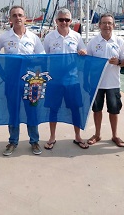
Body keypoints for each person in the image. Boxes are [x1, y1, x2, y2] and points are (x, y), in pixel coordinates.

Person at [0, 5, 45, 156]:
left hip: (31, 83)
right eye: (14, 15)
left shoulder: (33, 38)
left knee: (32, 111)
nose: (18, 18)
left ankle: (34, 141)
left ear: (25, 18)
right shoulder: (4, 37)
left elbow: (42, 57)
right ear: (10, 19)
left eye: (20, 15)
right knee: (13, 111)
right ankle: (13, 141)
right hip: (11, 81)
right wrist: (1, 71)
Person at [43, 8, 89, 150]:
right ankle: (52, 137)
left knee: (75, 108)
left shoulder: (76, 37)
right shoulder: (49, 37)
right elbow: (43, 57)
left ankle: (77, 136)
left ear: (71, 21)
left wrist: (83, 52)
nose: (64, 22)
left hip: (72, 80)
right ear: (56, 21)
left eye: (67, 20)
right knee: (53, 109)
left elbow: (85, 52)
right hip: (54, 80)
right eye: (61, 20)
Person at [86, 13, 124, 147]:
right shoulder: (93, 42)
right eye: (104, 23)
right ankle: (97, 134)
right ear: (99, 25)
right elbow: (87, 62)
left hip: (113, 83)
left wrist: (119, 62)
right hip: (97, 83)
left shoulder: (119, 41)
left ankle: (115, 135)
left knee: (114, 110)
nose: (107, 26)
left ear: (114, 25)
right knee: (97, 110)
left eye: (109, 23)